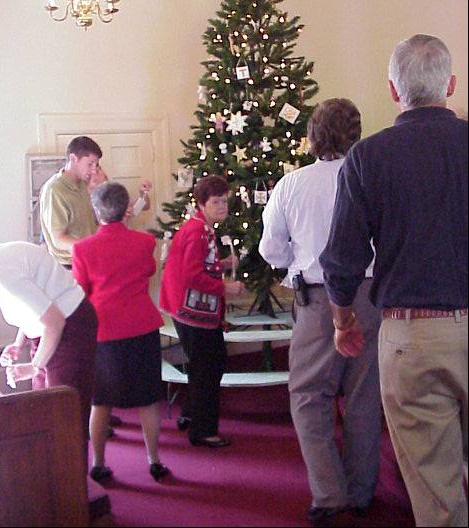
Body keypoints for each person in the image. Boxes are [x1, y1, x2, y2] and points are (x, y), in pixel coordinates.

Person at [319, 35, 468, 527]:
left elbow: (342, 261)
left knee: (436, 493)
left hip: (414, 336)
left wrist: (342, 320)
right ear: (450, 84)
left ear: (392, 89)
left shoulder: (369, 157)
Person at [259, 98, 381, 526]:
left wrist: (297, 257)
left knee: (309, 396)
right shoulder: (371, 177)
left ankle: (330, 495)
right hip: (370, 294)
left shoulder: (292, 184)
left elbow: (270, 249)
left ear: (312, 135)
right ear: (357, 134)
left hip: (317, 298)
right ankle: (361, 492)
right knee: (364, 396)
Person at [72, 182, 169, 483]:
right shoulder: (144, 242)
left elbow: (81, 290)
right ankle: (154, 460)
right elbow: (149, 272)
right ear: (127, 208)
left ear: (96, 211)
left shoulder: (82, 249)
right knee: (148, 398)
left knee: (100, 401)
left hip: (103, 331)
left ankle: (99, 463)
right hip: (141, 327)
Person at [0, 242, 97, 460]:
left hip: (71, 325)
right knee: (44, 407)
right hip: (50, 328)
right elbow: (32, 307)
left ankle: (72, 478)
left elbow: (54, 322)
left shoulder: (6, 274)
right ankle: (52, 473)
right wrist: (19, 344)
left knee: (64, 413)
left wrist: (35, 366)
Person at [159, 175, 244, 447]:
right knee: (209, 366)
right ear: (202, 203)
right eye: (216, 202)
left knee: (203, 365)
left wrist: (222, 263)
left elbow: (199, 264)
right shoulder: (198, 232)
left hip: (185, 306)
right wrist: (225, 287)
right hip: (191, 310)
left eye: (225, 201)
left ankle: (191, 414)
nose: (222, 207)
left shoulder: (200, 227)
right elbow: (192, 275)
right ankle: (203, 430)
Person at [40, 136, 102, 268]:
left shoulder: (82, 185)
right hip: (69, 266)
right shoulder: (54, 189)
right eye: (90, 164)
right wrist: (91, 247)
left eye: (96, 165)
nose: (93, 170)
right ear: (73, 159)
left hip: (87, 259)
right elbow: (58, 239)